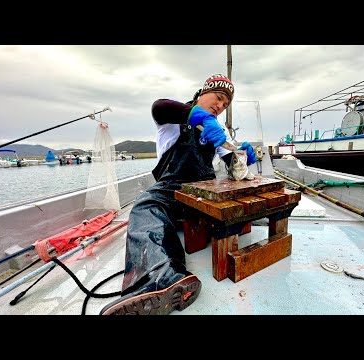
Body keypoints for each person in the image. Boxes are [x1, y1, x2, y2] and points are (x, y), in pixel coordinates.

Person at [99, 74, 257, 315]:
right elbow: (159, 107)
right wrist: (200, 117)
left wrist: (242, 155)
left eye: (226, 104)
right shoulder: (175, 116)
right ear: (203, 93)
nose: (220, 106)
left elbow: (231, 161)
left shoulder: (219, 128)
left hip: (206, 190)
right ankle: (162, 276)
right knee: (147, 207)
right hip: (172, 189)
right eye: (218, 98)